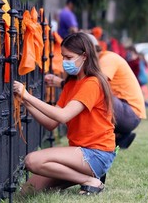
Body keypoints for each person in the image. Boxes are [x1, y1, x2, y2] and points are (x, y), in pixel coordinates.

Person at [13, 32, 116, 195]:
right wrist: (25, 102)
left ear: (84, 56)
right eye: (63, 57)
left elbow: (63, 116)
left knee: (32, 160)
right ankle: (86, 177)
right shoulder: (72, 83)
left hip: (95, 153)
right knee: (27, 192)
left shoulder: (93, 83)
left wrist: (27, 96)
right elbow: (51, 123)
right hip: (80, 153)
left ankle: (90, 180)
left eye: (69, 57)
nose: (64, 62)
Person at [45, 34, 146, 150]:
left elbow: (94, 86)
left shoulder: (108, 59)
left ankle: (115, 135)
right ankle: (119, 136)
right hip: (125, 112)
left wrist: (62, 83)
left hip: (130, 114)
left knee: (93, 91)